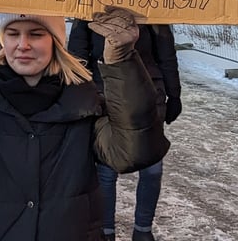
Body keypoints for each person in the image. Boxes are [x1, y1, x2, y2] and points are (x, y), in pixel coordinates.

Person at [0, 0, 169, 240]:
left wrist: (122, 63)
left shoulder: (85, 103)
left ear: (55, 40)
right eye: (13, 33)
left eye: (36, 34)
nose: (23, 45)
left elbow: (132, 152)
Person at [69, 21, 182, 241]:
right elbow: (77, 55)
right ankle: (107, 230)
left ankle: (143, 229)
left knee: (152, 168)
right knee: (106, 170)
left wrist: (174, 93)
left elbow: (166, 52)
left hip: (148, 95)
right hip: (103, 93)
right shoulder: (88, 9)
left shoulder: (151, 9)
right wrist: (78, 95)